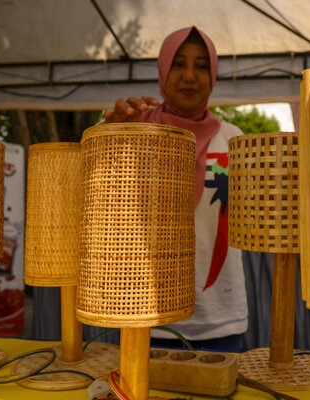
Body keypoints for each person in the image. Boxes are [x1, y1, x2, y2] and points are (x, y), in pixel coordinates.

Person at [104, 26, 248, 351]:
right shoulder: (134, 131)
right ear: (163, 70)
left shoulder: (233, 139)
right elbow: (101, 203)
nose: (189, 76)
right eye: (178, 64)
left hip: (221, 319)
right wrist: (113, 137)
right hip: (145, 315)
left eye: (201, 66)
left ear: (212, 76)